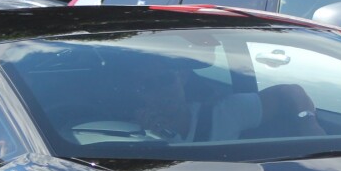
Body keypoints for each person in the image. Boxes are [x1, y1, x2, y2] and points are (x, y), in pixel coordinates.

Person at [131, 59, 319, 142]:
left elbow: (290, 92)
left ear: (183, 78)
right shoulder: (128, 132)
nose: (159, 91)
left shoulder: (222, 112)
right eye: (147, 86)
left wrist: (309, 126)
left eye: (165, 80)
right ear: (138, 93)